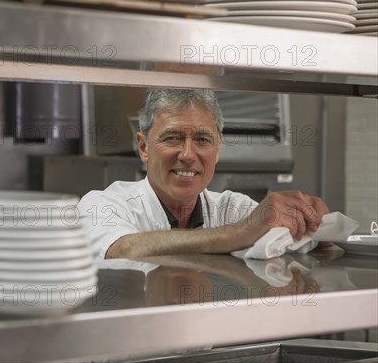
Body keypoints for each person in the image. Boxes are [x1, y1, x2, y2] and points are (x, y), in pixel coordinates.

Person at [77, 88, 329, 260]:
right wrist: (237, 234)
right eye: (172, 138)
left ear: (217, 149)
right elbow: (123, 248)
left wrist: (320, 228)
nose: (187, 154)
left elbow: (295, 243)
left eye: (202, 139)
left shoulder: (232, 208)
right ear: (144, 147)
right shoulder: (102, 204)